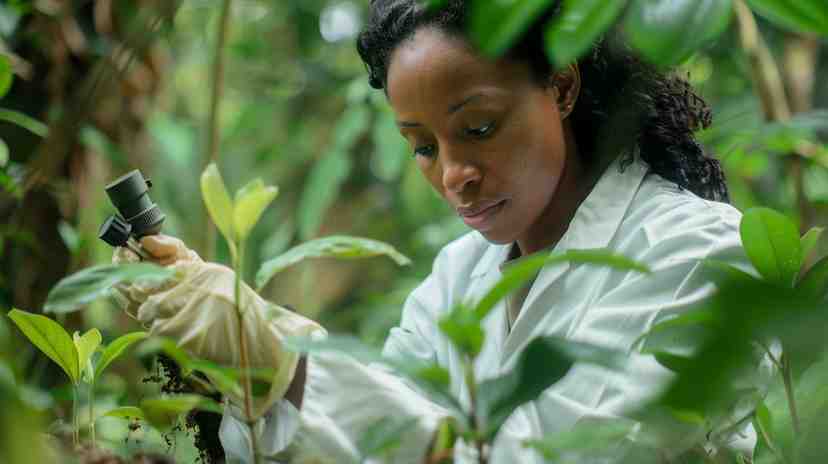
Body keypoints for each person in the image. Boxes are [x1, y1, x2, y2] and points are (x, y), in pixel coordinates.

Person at [113, 1, 759, 462]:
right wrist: (232, 367)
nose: (454, 175)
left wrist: (286, 357)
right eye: (422, 146)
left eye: (477, 128)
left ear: (561, 87)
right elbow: (378, 438)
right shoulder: (459, 278)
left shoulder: (697, 253)